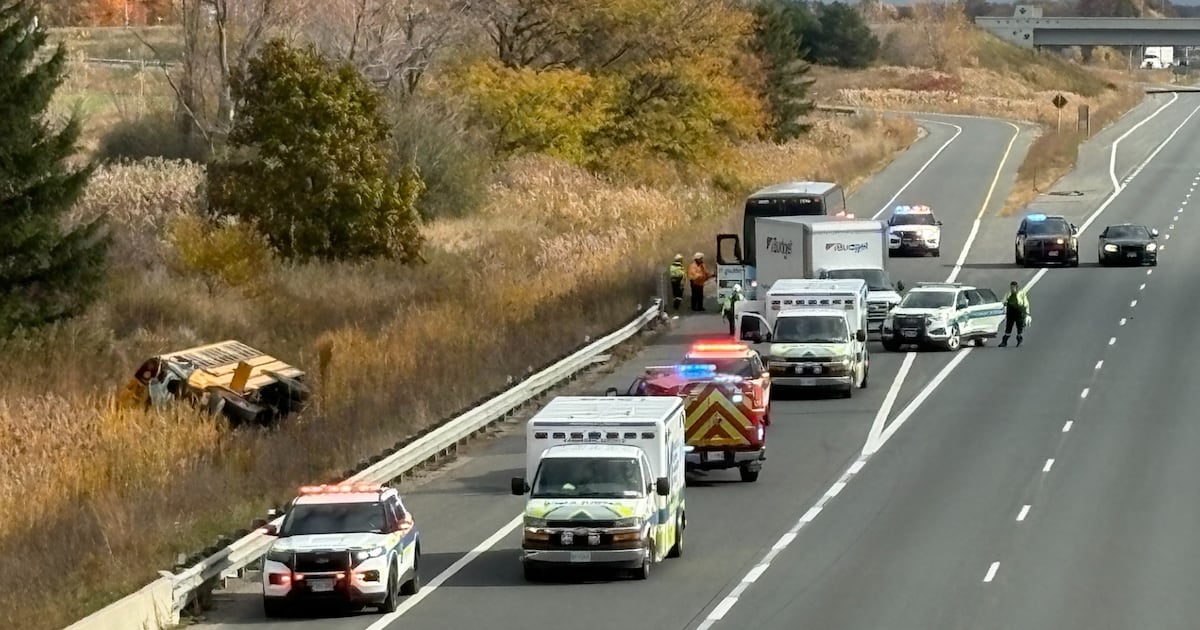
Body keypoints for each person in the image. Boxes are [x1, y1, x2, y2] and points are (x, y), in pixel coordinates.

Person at [999, 280, 1031, 347]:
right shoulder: (1008, 293)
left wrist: (1027, 313)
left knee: (1020, 326)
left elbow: (1026, 303)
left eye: (1014, 287)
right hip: (1010, 311)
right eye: (1011, 287)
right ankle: (1004, 341)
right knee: (1008, 326)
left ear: (1016, 287)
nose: (1012, 288)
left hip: (1019, 311)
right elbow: (1004, 300)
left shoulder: (1021, 293)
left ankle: (1019, 339)